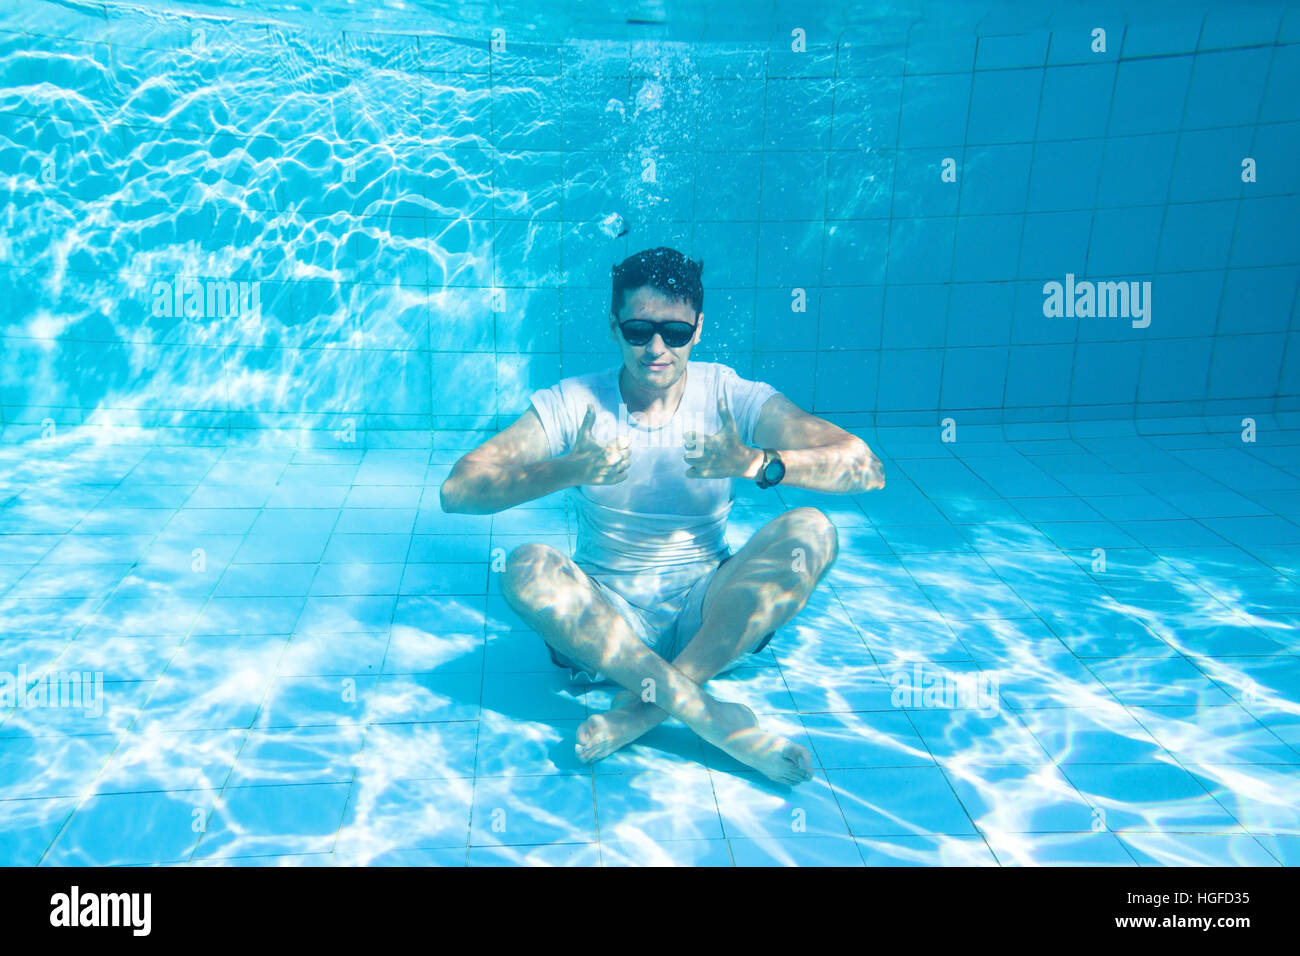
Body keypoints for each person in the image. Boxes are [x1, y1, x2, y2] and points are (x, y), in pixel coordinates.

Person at [440, 247, 885, 785]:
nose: (656, 348)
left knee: (812, 530)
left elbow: (864, 467)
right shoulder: (576, 401)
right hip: (606, 625)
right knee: (525, 566)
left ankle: (642, 711)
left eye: (674, 332)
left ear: (698, 329)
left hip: (709, 614)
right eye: (637, 330)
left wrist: (754, 462)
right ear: (613, 326)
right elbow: (458, 489)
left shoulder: (729, 394)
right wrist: (566, 469)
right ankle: (710, 718)